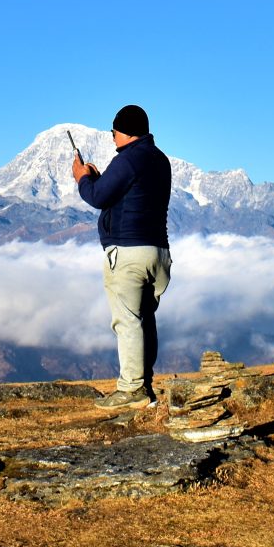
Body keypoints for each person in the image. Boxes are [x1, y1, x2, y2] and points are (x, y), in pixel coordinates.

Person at [71, 103, 172, 409]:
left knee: (127, 322)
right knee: (145, 320)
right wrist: (102, 178)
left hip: (128, 254)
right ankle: (145, 384)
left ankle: (131, 390)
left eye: (113, 132)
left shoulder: (128, 160)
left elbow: (98, 197)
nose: (112, 138)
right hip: (158, 252)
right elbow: (125, 195)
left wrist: (82, 178)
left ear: (124, 132)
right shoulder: (160, 160)